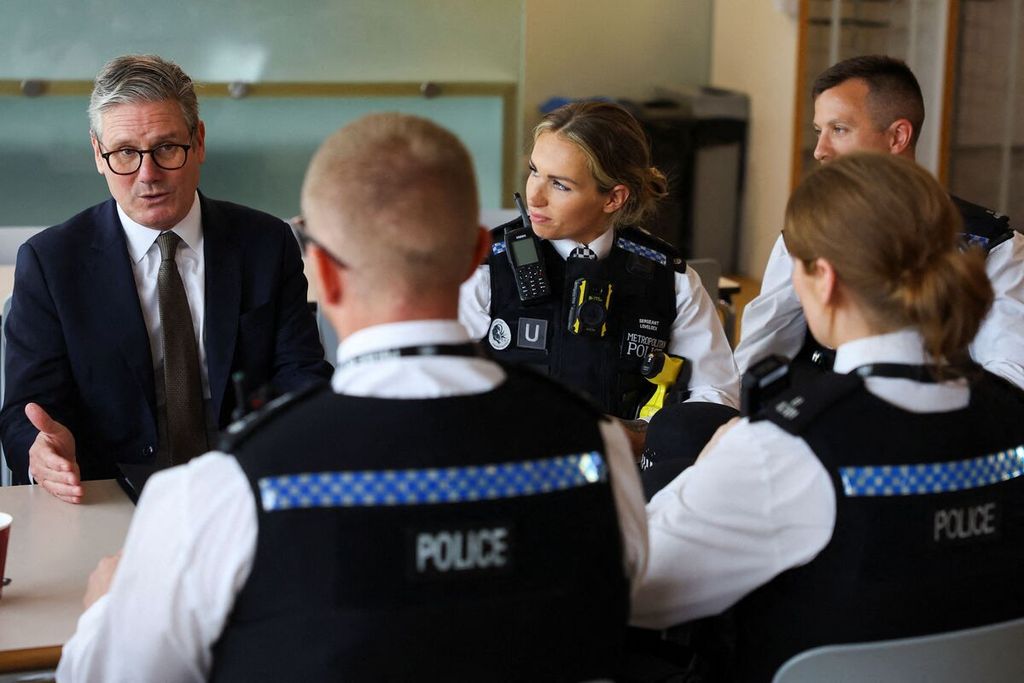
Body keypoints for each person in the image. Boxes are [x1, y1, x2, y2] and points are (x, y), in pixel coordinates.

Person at [56, 113, 649, 681]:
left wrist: (107, 607)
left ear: (324, 273)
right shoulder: (597, 449)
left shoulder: (222, 488)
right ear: (475, 256)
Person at [631, 153, 1024, 682]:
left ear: (824, 278)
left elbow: (633, 589)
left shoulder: (784, 449)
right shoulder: (1008, 415)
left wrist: (707, 465)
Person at [0, 54, 332, 501]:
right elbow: (26, 414)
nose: (147, 175)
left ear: (198, 141)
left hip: (245, 485)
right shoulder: (51, 262)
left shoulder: (266, 243)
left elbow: (301, 373)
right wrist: (40, 452)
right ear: (99, 154)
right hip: (110, 491)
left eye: (166, 149)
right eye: (125, 154)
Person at [459, 101, 740, 454]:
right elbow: (441, 383)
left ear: (613, 198)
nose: (534, 196)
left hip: (634, 473)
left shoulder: (671, 278)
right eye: (534, 171)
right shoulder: (486, 268)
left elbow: (715, 397)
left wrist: (642, 440)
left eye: (560, 185)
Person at [735, 55, 1024, 387]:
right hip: (816, 419)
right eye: (819, 131)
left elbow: (1011, 378)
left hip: (938, 426)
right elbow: (755, 360)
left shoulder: (992, 246)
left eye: (839, 129)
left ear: (897, 137)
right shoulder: (808, 234)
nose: (820, 150)